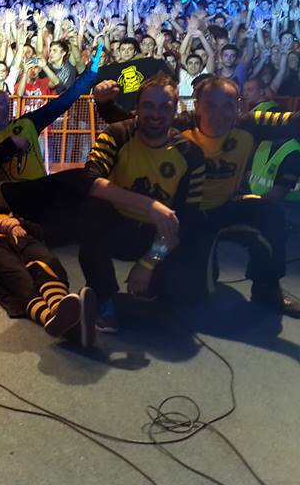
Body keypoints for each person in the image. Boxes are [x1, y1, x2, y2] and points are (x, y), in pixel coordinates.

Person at [96, 75, 300, 315]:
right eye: (210, 105)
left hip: (225, 206)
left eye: (227, 106)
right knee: (186, 296)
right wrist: (104, 103)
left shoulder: (250, 123)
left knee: (270, 215)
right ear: (197, 105)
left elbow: (293, 122)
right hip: (185, 215)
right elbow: (130, 122)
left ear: (238, 105)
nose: (218, 115)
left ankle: (268, 288)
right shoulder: (179, 125)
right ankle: (198, 266)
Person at [79, 74, 206, 332]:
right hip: (117, 225)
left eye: (164, 107)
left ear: (175, 110)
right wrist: (150, 205)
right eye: (148, 105)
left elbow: (187, 219)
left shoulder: (190, 154)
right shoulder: (117, 134)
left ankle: (154, 286)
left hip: (158, 236)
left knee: (182, 296)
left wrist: (150, 261)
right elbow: (88, 181)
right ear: (136, 107)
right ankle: (104, 296)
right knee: (91, 211)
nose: (156, 114)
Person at [0, 175, 96, 346]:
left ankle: (59, 309)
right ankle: (60, 322)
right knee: (18, 278)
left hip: (23, 240)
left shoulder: (5, 211)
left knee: (46, 262)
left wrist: (18, 222)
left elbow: (40, 232)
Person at [0, 48, 101, 182]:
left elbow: (62, 102)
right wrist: (12, 143)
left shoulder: (28, 123)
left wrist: (89, 75)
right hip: (7, 194)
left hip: (39, 190)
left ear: (8, 106)